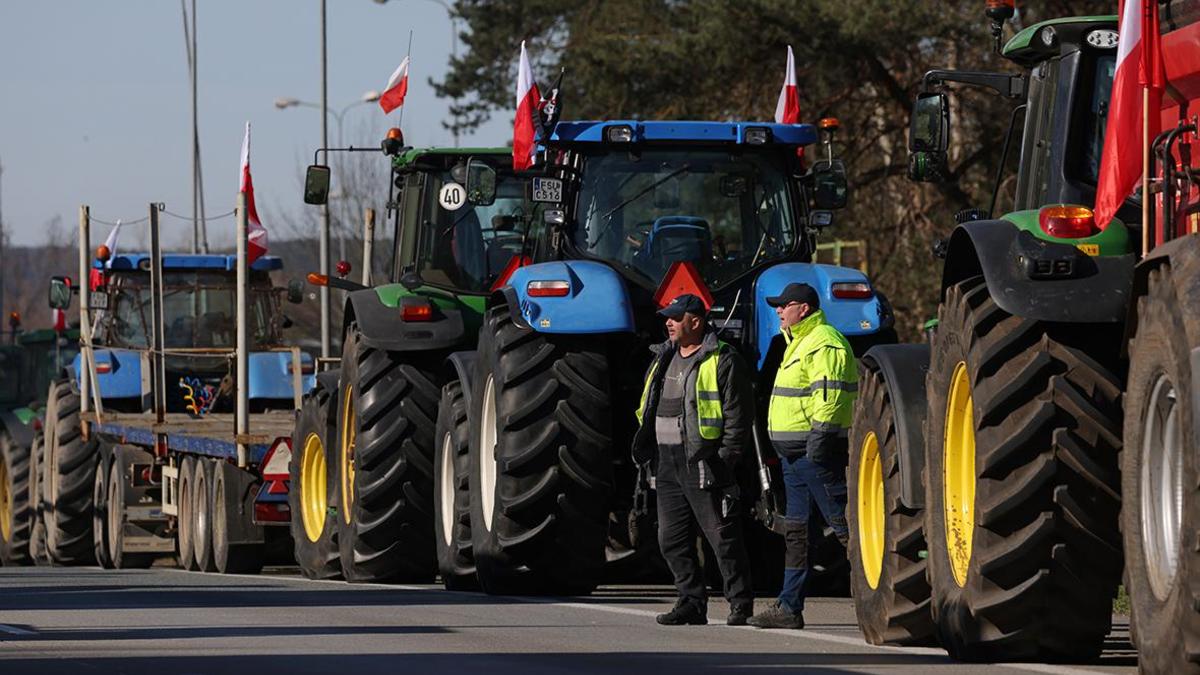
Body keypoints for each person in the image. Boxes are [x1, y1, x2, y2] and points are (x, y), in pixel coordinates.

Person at [632, 293, 756, 626]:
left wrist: (725, 459)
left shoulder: (723, 359)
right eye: (667, 317)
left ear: (696, 321)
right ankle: (690, 602)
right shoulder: (663, 357)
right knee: (670, 539)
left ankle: (740, 604)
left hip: (703, 459)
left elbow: (738, 416)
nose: (668, 322)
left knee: (722, 536)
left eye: (675, 317)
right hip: (667, 462)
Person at [749, 282, 857, 630]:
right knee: (798, 533)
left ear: (804, 309)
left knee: (846, 529)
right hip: (794, 457)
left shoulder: (824, 342)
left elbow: (831, 396)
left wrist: (819, 443)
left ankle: (890, 595)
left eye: (784, 305)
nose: (778, 311)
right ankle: (789, 607)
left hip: (814, 455)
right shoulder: (795, 343)